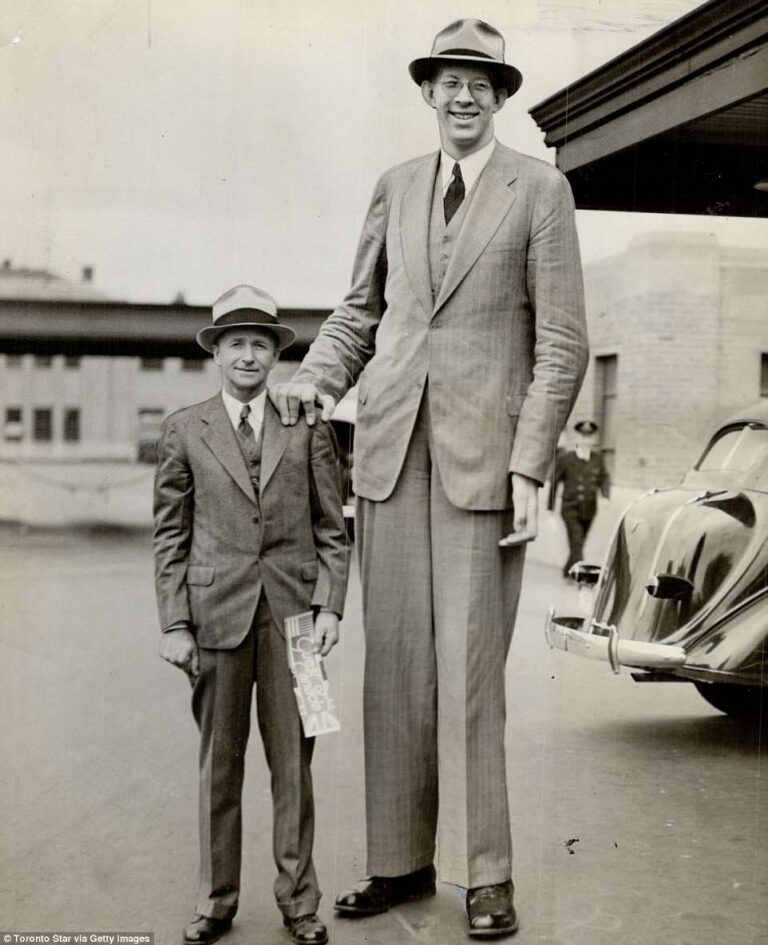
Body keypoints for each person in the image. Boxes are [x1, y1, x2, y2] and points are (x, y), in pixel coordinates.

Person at [271, 17, 588, 938]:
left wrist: (530, 461)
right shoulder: (396, 186)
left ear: (500, 98)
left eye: (481, 83)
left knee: (471, 675)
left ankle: (486, 874)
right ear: (427, 91)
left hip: (485, 465)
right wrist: (317, 377)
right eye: (449, 80)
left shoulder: (541, 191)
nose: (463, 95)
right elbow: (359, 313)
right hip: (388, 457)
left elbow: (563, 343)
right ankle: (400, 861)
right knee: (396, 670)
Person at [152, 285, 348, 945]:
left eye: (260, 344)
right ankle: (216, 901)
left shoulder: (310, 424)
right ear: (216, 353)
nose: (247, 356)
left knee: (297, 765)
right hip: (214, 618)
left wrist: (330, 607)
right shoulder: (184, 428)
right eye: (235, 343)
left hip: (300, 624)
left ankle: (301, 903)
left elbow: (333, 528)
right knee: (220, 765)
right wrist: (175, 623)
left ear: (274, 355)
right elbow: (170, 535)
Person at [549, 420, 610, 578]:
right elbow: (554, 483)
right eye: (583, 436)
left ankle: (567, 571)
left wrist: (605, 496)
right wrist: (550, 511)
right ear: (577, 438)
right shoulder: (566, 459)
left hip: (590, 509)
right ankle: (580, 576)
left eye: (589, 437)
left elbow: (604, 478)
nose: (586, 440)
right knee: (576, 541)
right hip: (570, 508)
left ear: (593, 439)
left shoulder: (597, 459)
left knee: (579, 543)